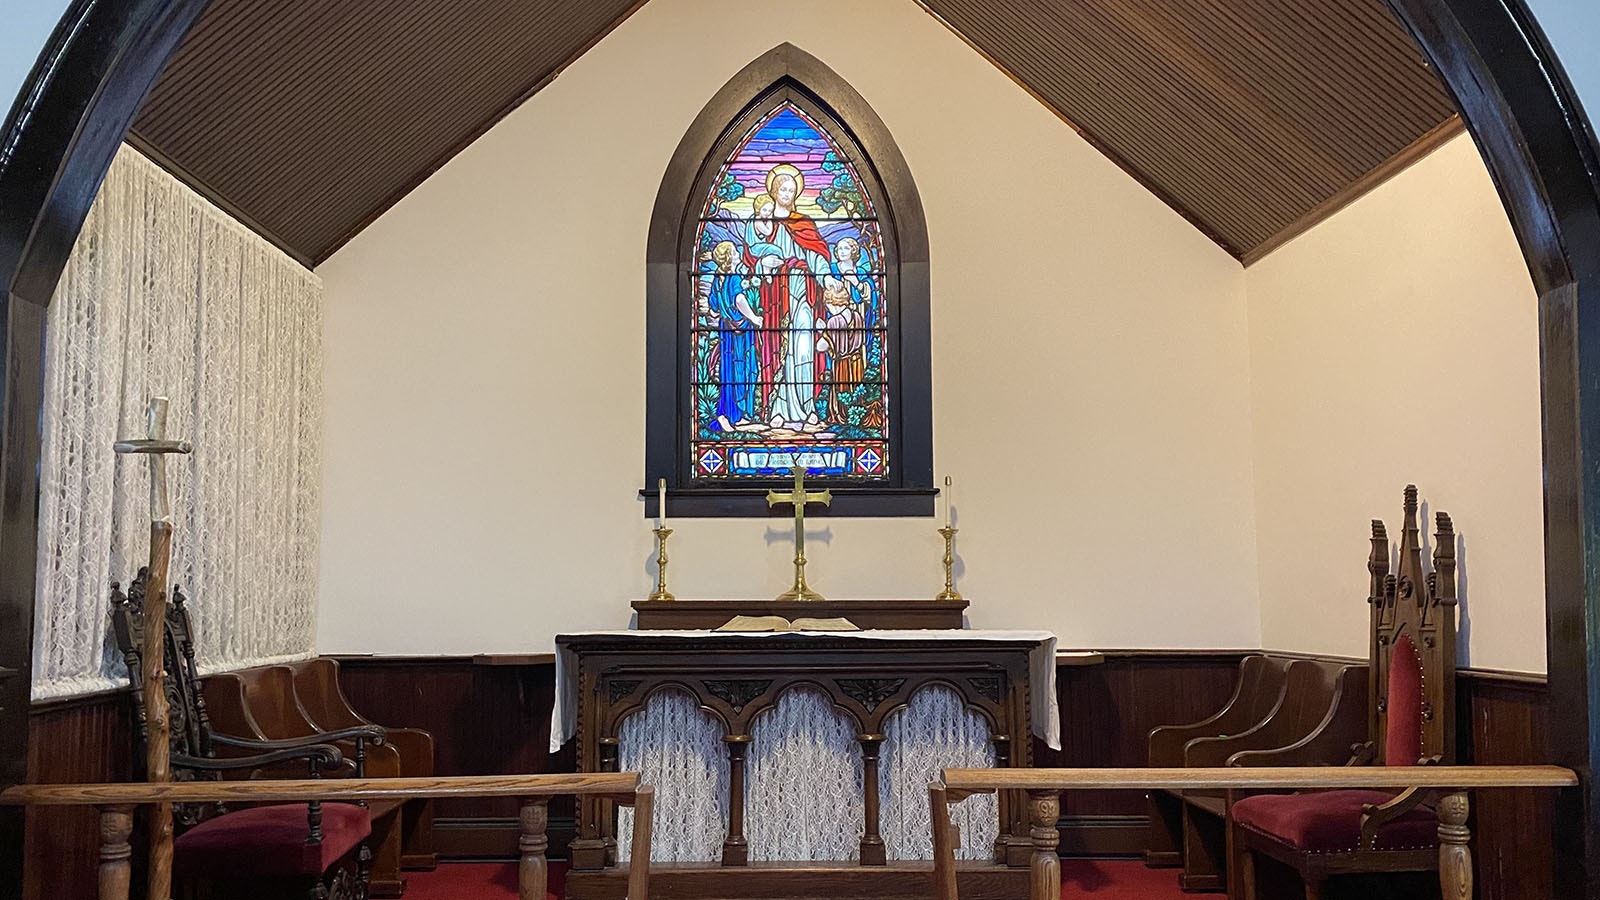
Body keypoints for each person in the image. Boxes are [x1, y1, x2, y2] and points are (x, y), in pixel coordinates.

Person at [755, 165, 832, 427]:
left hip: (802, 290)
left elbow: (816, 255)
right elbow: (751, 257)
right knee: (777, 349)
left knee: (803, 347)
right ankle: (777, 407)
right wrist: (764, 265)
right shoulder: (762, 225)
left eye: (791, 189)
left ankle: (807, 405)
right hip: (774, 295)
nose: (787, 193)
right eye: (782, 189)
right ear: (774, 191)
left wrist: (827, 277)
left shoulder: (803, 224)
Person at [702, 241, 761, 431]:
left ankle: (726, 413)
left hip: (726, 330)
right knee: (742, 370)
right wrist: (754, 317)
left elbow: (713, 310)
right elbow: (739, 299)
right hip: (741, 333)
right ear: (728, 258)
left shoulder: (718, 278)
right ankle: (737, 415)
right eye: (734, 252)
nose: (737, 254)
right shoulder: (734, 278)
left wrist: (722, 312)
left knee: (728, 371)